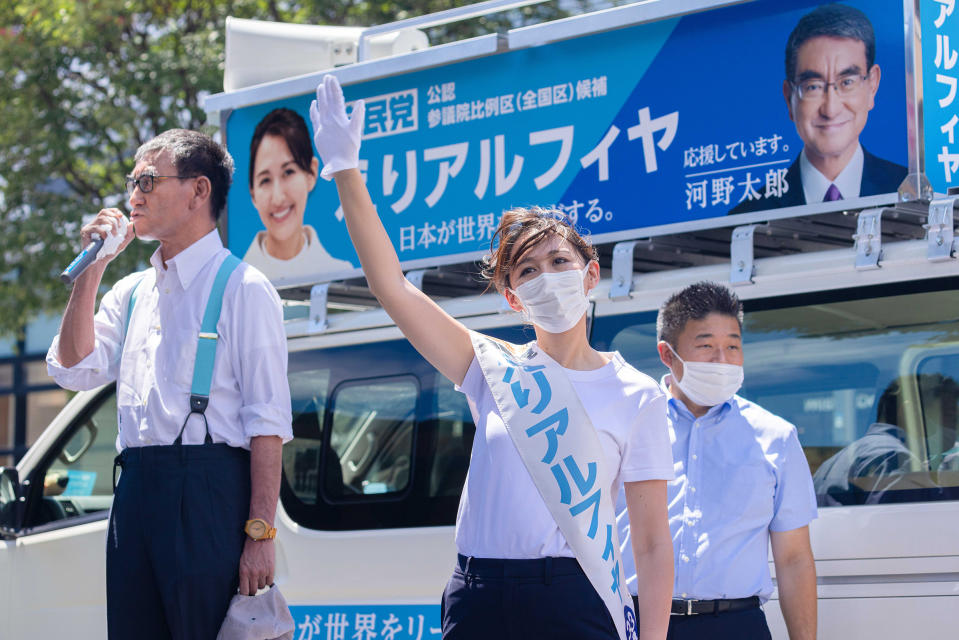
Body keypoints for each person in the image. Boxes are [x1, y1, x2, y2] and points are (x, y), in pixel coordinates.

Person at [311, 74, 674, 640]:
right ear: (512, 297)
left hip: (575, 598)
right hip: (478, 597)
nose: (547, 278)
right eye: (527, 271)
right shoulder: (492, 368)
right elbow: (392, 287)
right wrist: (344, 170)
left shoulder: (638, 395)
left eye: (559, 261)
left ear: (591, 274)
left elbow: (652, 547)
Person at [46, 129, 293, 639]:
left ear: (199, 191)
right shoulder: (131, 291)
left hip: (207, 494)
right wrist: (94, 265)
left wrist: (260, 534)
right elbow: (72, 368)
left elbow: (267, 422)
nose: (133, 194)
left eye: (148, 180)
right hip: (135, 490)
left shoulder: (243, 288)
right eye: (132, 181)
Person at [616, 282, 818, 639]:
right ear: (667, 354)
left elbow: (794, 560)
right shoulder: (627, 426)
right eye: (707, 346)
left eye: (733, 346)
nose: (722, 360)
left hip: (736, 623)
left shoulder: (776, 437)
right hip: (635, 619)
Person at [730, 3, 906, 214]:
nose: (830, 109)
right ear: (789, 98)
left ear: (872, 85)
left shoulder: (909, 193)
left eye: (847, 82)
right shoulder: (749, 216)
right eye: (813, 87)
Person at [243, 107, 353, 282]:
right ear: (253, 193)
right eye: (265, 180)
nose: (278, 198)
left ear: (311, 173)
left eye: (288, 172)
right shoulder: (234, 283)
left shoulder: (342, 275)